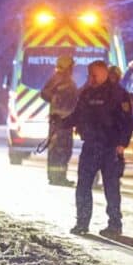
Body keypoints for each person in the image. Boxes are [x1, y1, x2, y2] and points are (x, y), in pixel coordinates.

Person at [63, 60, 133, 237]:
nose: (91, 78)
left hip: (110, 148)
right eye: (89, 75)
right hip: (90, 146)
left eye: (94, 75)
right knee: (83, 185)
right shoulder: (86, 93)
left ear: (103, 73)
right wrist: (61, 122)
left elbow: (127, 122)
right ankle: (82, 223)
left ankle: (114, 225)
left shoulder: (118, 94)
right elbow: (77, 116)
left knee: (111, 187)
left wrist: (122, 144)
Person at [40, 55, 78, 186]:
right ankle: (57, 177)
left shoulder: (64, 79)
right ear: (67, 66)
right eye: (72, 66)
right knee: (59, 149)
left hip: (65, 121)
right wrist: (56, 100)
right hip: (59, 121)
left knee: (63, 149)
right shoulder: (58, 78)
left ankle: (58, 176)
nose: (73, 69)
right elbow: (44, 93)